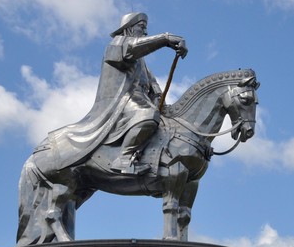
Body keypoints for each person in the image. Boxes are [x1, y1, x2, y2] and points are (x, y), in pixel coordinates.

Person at [43, 12, 188, 176]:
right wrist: (165, 39)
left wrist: (158, 94)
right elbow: (133, 48)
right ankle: (124, 160)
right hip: (122, 102)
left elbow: (150, 83)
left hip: (140, 101)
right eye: (142, 27)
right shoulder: (117, 44)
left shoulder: (142, 62)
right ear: (129, 29)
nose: (145, 32)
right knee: (147, 115)